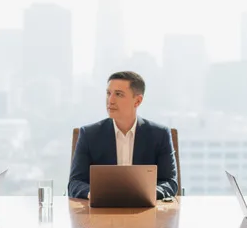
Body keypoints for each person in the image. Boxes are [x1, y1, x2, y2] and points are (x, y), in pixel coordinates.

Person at [67, 71, 179, 200]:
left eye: (118, 94)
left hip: (144, 208)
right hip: (101, 209)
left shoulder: (160, 135)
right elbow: (75, 183)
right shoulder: (89, 134)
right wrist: (92, 193)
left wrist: (144, 194)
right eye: (108, 93)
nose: (110, 100)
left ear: (137, 101)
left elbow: (170, 182)